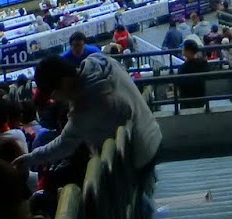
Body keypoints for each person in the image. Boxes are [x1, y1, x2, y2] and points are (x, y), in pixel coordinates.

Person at [19, 53, 161, 179]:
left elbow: (64, 145)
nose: (54, 99)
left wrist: (30, 158)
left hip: (140, 155)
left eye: (53, 94)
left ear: (64, 82)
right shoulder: (99, 60)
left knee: (137, 203)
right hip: (151, 131)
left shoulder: (86, 106)